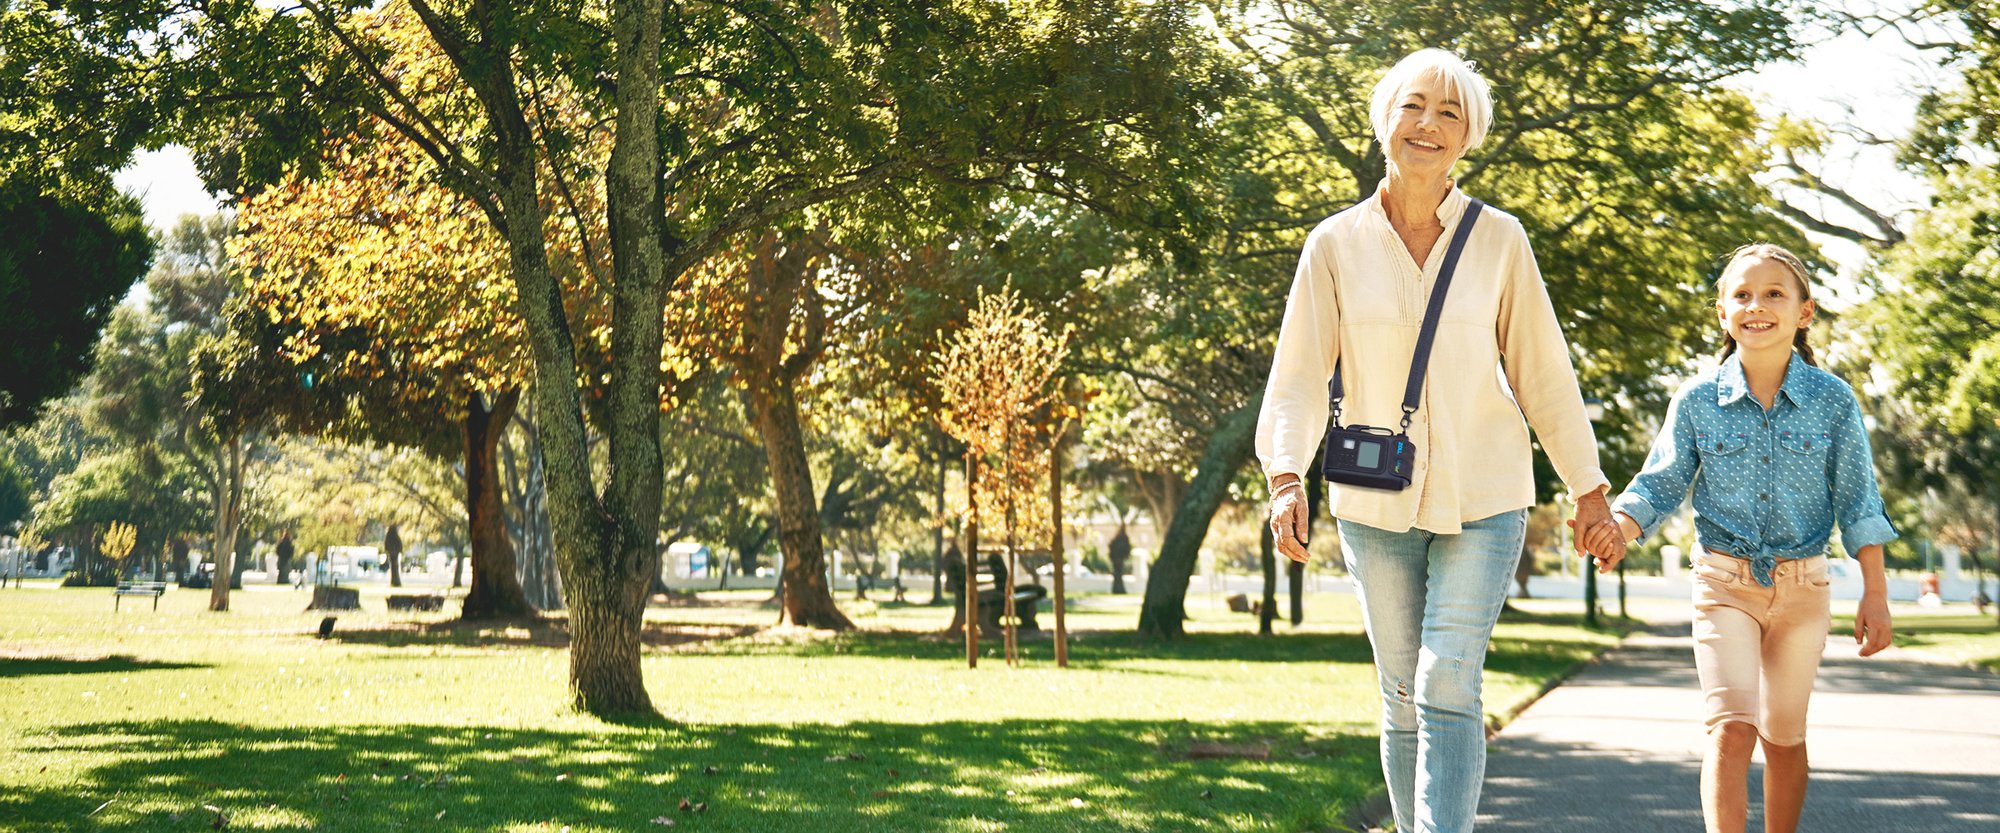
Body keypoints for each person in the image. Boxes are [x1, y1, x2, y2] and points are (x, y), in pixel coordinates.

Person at [1257, 48, 1620, 833]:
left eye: (1449, 113)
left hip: (1485, 493)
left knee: (1447, 680)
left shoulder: (1500, 240)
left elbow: (1543, 372)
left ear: (1468, 137)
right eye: (1415, 105)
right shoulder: (1333, 244)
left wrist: (1588, 486)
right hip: (1372, 501)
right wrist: (1286, 475)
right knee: (1400, 692)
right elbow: (1297, 374)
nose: (1429, 124)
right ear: (1385, 118)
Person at [1581, 243, 1896, 833]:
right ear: (1722, 313)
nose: (1758, 305)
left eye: (1775, 293)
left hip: (1805, 589)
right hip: (1723, 583)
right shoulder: (1698, 400)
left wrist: (1875, 593)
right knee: (1731, 725)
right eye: (1742, 294)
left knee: (1784, 737)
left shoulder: (1833, 401)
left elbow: (1859, 502)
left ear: (1804, 311)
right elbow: (1661, 481)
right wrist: (1619, 530)